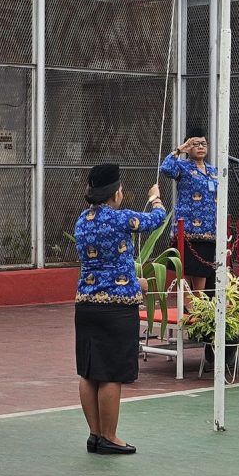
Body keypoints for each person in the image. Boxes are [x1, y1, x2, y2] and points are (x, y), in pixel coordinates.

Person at [74, 163, 166, 455]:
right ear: (114, 194)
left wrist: (132, 279)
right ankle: (111, 437)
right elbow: (158, 220)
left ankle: (95, 435)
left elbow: (103, 261)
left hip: (86, 304)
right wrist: (156, 197)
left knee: (89, 373)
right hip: (117, 308)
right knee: (112, 373)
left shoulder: (82, 220)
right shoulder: (120, 218)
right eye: (121, 189)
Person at [159, 130, 219, 296]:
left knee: (202, 269)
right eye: (195, 144)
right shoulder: (182, 167)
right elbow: (165, 168)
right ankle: (188, 305)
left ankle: (198, 304)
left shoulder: (213, 170)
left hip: (209, 229)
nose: (200, 147)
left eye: (203, 144)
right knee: (187, 267)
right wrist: (179, 150)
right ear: (188, 148)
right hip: (187, 228)